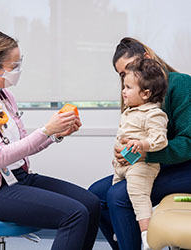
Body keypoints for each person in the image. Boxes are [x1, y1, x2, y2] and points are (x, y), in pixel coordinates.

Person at [0, 29, 100, 250]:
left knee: (91, 203)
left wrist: (56, 134)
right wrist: (47, 129)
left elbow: (21, 147)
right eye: (14, 65)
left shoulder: (5, 96)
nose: (18, 70)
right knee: (75, 214)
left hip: (20, 177)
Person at [89, 37, 191, 250]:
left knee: (118, 196)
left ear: (147, 57)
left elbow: (187, 144)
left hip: (186, 167)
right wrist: (126, 154)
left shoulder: (181, 84)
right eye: (122, 74)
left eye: (130, 68)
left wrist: (144, 154)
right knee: (94, 196)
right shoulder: (139, 100)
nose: (127, 77)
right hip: (161, 165)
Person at [111, 58, 168, 250]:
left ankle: (147, 235)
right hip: (123, 166)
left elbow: (160, 139)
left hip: (141, 166)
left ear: (145, 93)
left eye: (127, 87)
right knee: (113, 194)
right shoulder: (131, 110)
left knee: (138, 195)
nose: (123, 91)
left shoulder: (153, 114)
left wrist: (142, 144)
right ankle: (121, 228)